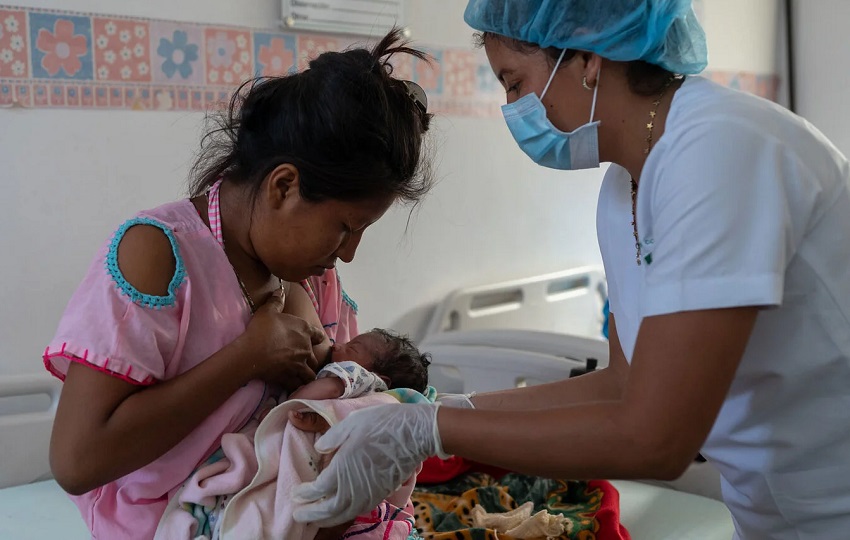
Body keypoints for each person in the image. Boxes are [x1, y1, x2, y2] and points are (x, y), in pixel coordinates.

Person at [290, 2, 850, 538]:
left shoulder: (719, 151)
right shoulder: (622, 189)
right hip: (772, 514)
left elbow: (657, 439)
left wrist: (426, 432)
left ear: (586, 60)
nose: (513, 108)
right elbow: (621, 386)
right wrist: (434, 407)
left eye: (514, 83)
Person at [43, 29, 433, 539]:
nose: (348, 252)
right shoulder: (158, 255)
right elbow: (76, 461)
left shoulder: (314, 281)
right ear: (284, 186)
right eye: (345, 226)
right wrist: (245, 359)